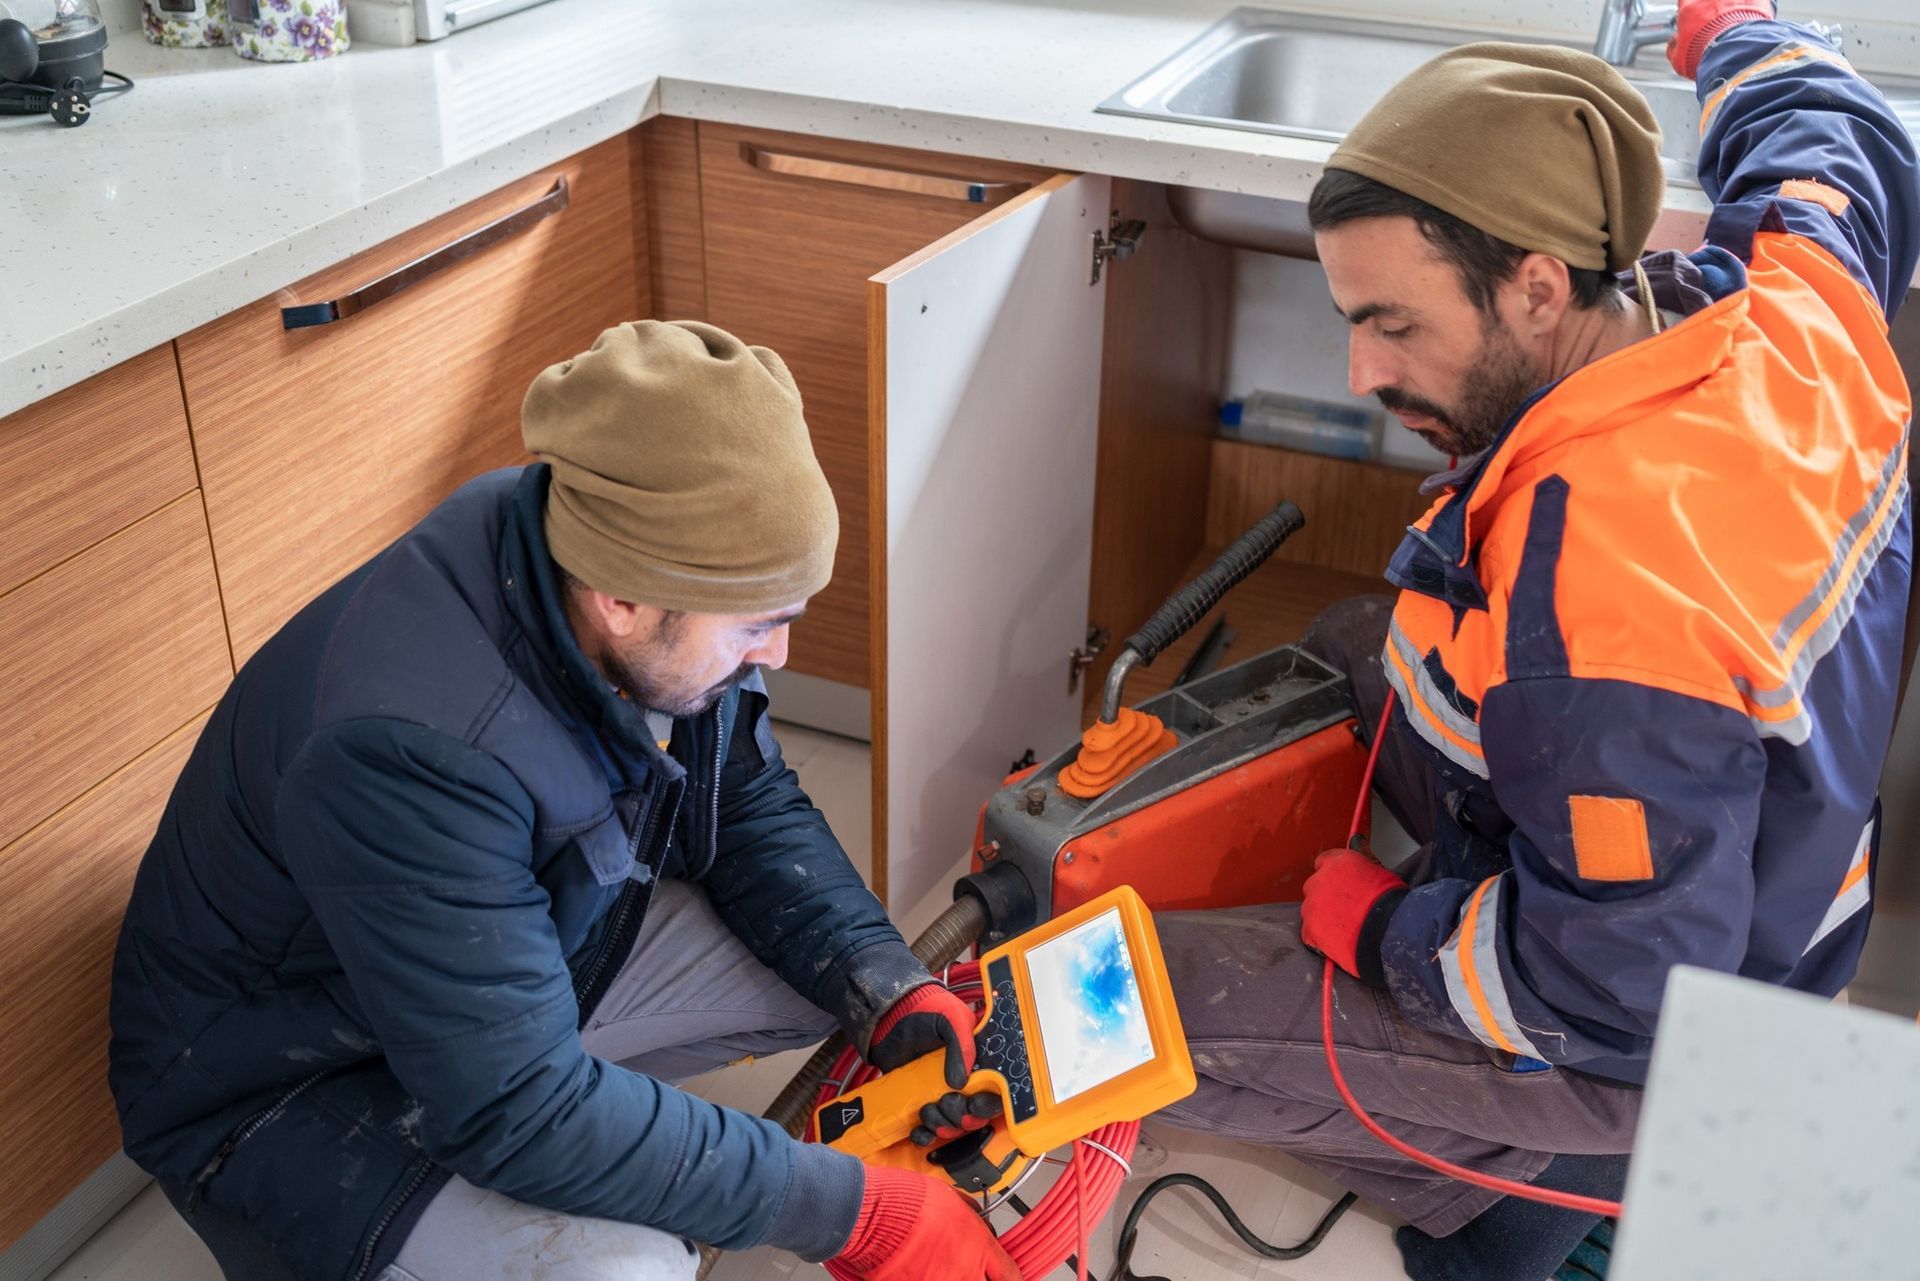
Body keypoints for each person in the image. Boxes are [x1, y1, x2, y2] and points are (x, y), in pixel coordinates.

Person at [1154, 3, 1918, 1278]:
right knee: (1360, 645)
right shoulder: (1789, 314)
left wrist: (1386, 931)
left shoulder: (1604, 601)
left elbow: (1612, 987)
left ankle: (1533, 1191)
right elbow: (1829, 133)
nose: (1359, 368)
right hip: (1773, 883)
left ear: (1540, 287)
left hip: (1671, 1026)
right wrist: (1735, 33)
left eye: (1394, 322)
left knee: (1171, 1004)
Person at [108, 320, 1019, 1281]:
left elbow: (741, 798)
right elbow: (513, 1108)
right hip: (284, 1083)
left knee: (816, 977)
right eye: (756, 624)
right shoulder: (411, 749)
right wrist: (853, 1212)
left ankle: (562, 1095)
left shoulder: (603, 549)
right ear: (624, 598)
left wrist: (883, 979)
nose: (778, 657)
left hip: (469, 977)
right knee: (623, 1268)